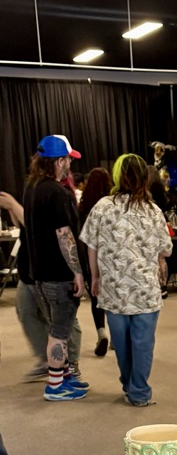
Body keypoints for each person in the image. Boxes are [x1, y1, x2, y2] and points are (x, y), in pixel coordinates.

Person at [80, 154, 172, 407]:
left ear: (118, 176)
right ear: (145, 177)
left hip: (114, 288)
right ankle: (139, 392)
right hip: (145, 290)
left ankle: (127, 384)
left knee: (121, 344)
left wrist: (94, 277)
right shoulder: (153, 211)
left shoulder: (102, 207)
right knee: (142, 344)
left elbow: (91, 247)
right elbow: (166, 249)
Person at [23, 134, 89, 401]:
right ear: (59, 161)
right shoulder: (58, 193)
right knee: (60, 331)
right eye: (67, 161)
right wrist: (78, 272)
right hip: (58, 275)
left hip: (39, 273)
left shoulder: (32, 187)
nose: (69, 167)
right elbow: (65, 236)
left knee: (57, 325)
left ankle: (64, 378)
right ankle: (55, 386)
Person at [78, 167, 112, 357]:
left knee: (96, 294)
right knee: (114, 296)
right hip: (109, 255)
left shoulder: (84, 206)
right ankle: (116, 336)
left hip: (89, 254)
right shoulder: (111, 203)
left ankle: (101, 331)